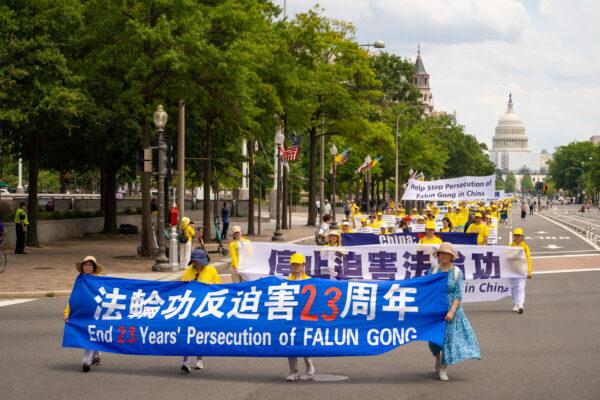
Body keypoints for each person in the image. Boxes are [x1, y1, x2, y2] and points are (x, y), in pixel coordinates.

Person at [428, 243, 481, 381]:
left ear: (451, 257)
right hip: (435, 310)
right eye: (441, 253)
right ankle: (437, 359)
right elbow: (426, 289)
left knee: (447, 340)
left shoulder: (457, 272)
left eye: (447, 254)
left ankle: (444, 368)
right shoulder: (433, 270)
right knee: (433, 340)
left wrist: (451, 311)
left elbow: (458, 295)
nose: (444, 256)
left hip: (451, 311)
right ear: (438, 255)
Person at [181, 249, 220, 373]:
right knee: (187, 334)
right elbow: (181, 290)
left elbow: (219, 288)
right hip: (190, 308)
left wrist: (212, 286)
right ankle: (186, 362)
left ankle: (199, 360)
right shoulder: (189, 271)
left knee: (200, 334)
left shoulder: (211, 270)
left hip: (205, 308)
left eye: (198, 262)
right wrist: (185, 284)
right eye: (194, 262)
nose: (196, 264)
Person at [64, 256, 103, 372]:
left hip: (95, 312)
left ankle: (87, 360)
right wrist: (67, 312)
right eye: (85, 265)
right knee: (89, 334)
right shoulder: (79, 280)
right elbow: (74, 297)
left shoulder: (99, 280)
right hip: (82, 312)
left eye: (90, 265)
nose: (87, 267)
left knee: (91, 334)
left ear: (94, 267)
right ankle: (95, 356)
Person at [286, 253, 315, 381]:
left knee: (304, 341)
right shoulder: (286, 281)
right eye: (293, 264)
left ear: (304, 265)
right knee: (290, 344)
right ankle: (293, 371)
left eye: (298, 264)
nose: (295, 266)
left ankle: (308, 361)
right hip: (290, 317)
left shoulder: (310, 280)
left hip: (305, 317)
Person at [509, 228, 532, 314]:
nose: (517, 237)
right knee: (514, 288)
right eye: (516, 235)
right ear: (514, 236)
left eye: (519, 235)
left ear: (522, 236)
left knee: (521, 288)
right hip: (513, 271)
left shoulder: (525, 247)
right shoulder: (510, 246)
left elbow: (528, 259)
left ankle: (520, 305)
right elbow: (507, 258)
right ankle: (515, 304)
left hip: (522, 271)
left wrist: (529, 271)